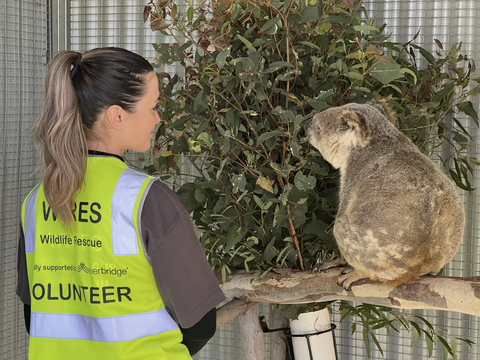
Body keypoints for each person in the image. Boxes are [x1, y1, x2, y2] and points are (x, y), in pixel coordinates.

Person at [16, 47, 225, 360]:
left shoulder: (36, 201)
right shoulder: (147, 200)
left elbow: (35, 317)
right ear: (116, 116)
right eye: (152, 107)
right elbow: (200, 324)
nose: (157, 118)